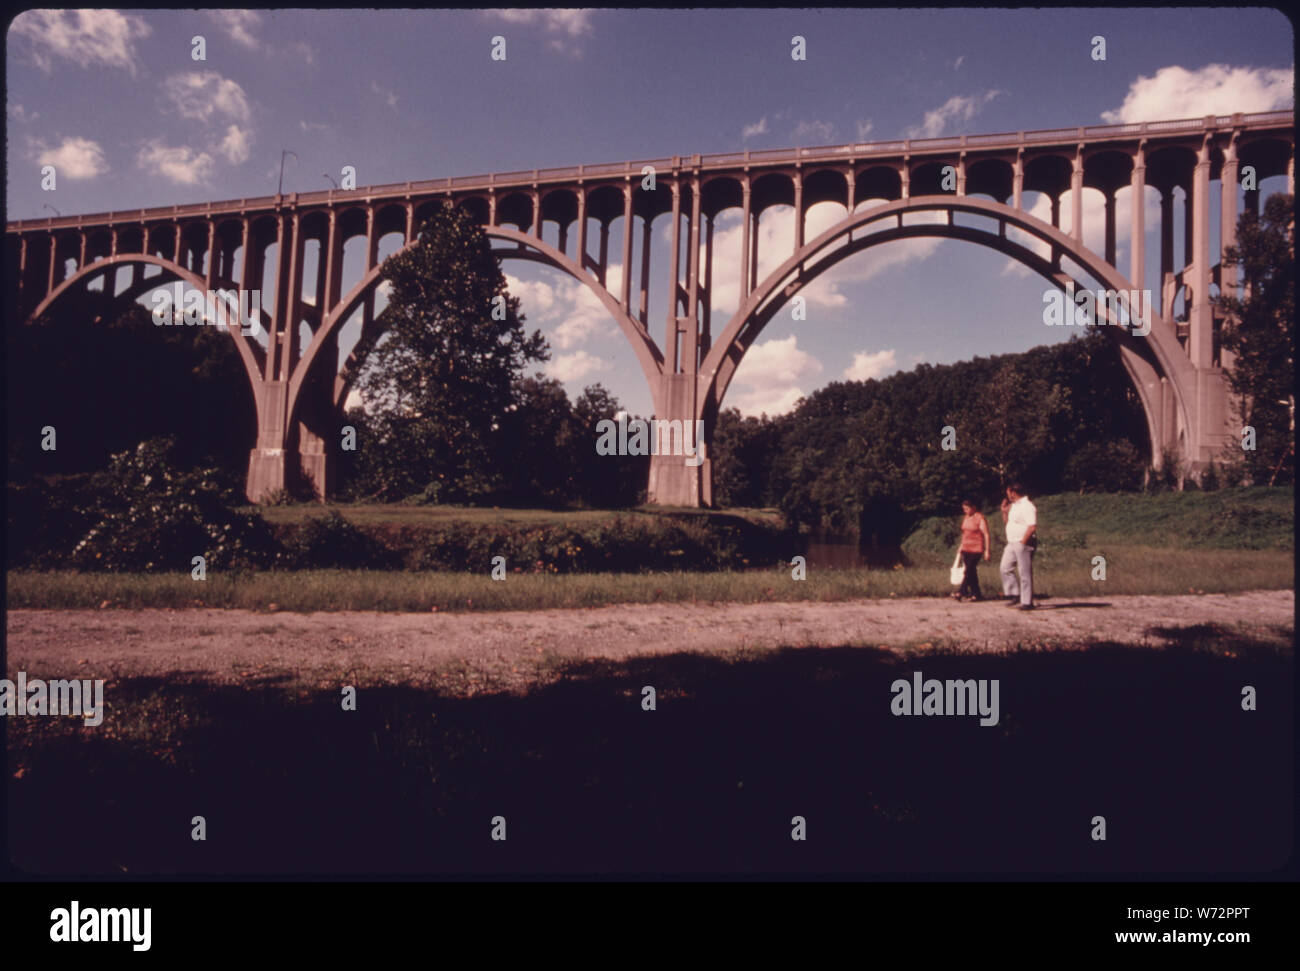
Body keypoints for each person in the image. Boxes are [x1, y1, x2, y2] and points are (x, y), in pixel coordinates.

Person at [1000, 482, 1037, 610]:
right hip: (1012, 542)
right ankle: (1015, 593)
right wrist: (1004, 511)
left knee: (1024, 572)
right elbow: (1008, 523)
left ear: (1013, 493)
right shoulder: (1014, 506)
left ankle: (1027, 602)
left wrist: (1023, 542)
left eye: (1008, 492)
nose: (1007, 495)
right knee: (1005, 568)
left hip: (1024, 542)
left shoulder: (1028, 506)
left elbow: (1032, 527)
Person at [952, 498, 990, 602]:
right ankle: (976, 594)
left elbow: (986, 534)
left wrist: (987, 550)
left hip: (976, 548)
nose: (965, 511)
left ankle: (961, 591)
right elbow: (965, 533)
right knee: (971, 572)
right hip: (966, 548)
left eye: (967, 508)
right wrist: (960, 547)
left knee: (968, 570)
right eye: (964, 509)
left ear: (973, 507)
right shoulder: (966, 518)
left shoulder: (980, 518)